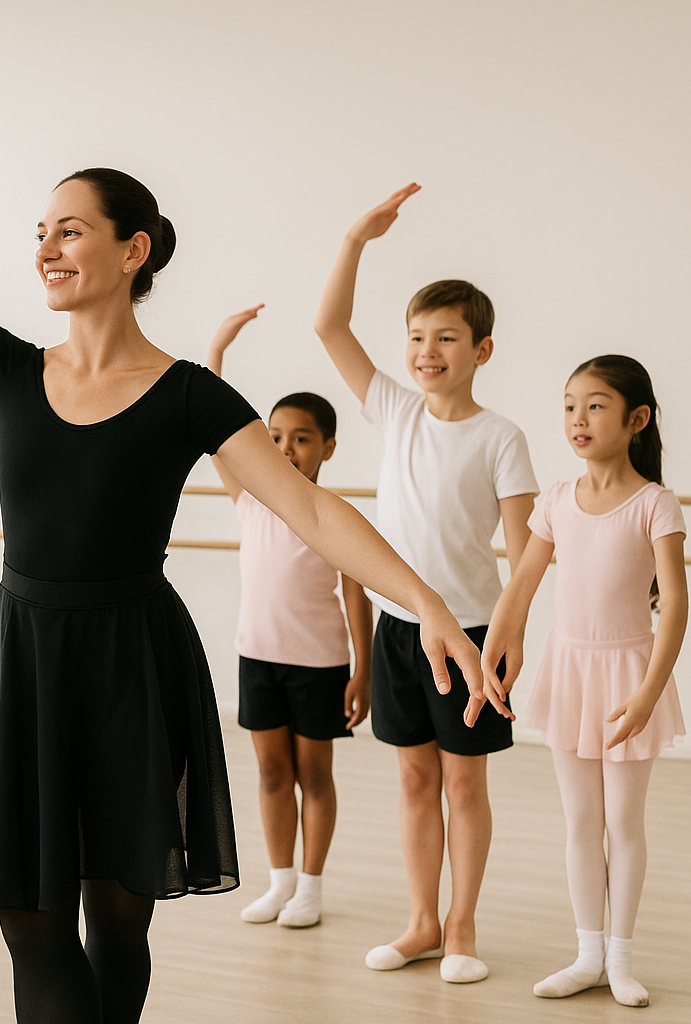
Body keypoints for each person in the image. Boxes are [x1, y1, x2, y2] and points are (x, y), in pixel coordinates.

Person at [0, 45, 496, 1024]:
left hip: (132, 664)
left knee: (118, 921)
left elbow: (311, 509)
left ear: (134, 252)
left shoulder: (188, 395)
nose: (47, 247)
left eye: (71, 230)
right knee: (31, 921)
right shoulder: (6, 369)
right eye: (40, 232)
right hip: (28, 659)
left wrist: (428, 603)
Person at [313, 184, 538, 984]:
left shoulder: (502, 438)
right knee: (414, 778)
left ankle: (463, 926)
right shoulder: (395, 411)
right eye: (416, 337)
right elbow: (329, 327)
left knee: (463, 782)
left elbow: (526, 553)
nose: (427, 351)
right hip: (398, 630)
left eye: (446, 337)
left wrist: (507, 641)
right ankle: (422, 922)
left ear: (482, 350)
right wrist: (355, 239)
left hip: (472, 633)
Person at [483, 356, 686, 1008]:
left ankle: (620, 960)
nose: (578, 418)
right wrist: (494, 651)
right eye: (570, 404)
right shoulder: (555, 500)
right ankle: (587, 955)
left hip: (630, 675)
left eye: (596, 405)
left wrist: (649, 692)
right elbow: (522, 583)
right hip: (570, 671)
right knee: (580, 822)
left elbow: (675, 606)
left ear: (636, 419)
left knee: (623, 823)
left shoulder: (655, 503)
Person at [205, 307, 374, 931]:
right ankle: (279, 881)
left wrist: (363, 671)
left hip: (319, 665)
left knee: (314, 775)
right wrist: (218, 346)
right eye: (275, 436)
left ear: (328, 448)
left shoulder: (333, 514)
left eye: (301, 438)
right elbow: (213, 421)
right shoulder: (251, 500)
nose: (285, 448)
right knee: (272, 773)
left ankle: (311, 886)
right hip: (258, 658)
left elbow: (357, 597)